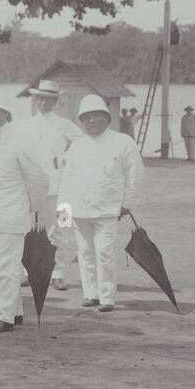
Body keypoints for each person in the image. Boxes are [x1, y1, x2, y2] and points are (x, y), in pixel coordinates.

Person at [58, 94, 144, 312]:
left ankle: (107, 297)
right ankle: (90, 294)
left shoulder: (122, 142)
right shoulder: (77, 147)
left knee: (104, 252)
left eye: (96, 115)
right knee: (85, 252)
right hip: (79, 210)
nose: (91, 121)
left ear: (107, 118)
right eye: (86, 117)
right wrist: (63, 214)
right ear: (81, 121)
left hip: (107, 209)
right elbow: (66, 180)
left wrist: (128, 202)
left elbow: (135, 175)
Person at [0, 92, 49, 333]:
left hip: (11, 214)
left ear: (7, 114)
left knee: (6, 266)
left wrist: (30, 207)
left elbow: (39, 179)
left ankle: (3, 317)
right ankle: (13, 312)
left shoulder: (19, 140)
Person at [20, 78, 84, 290]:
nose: (42, 103)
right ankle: (29, 271)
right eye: (39, 98)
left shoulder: (64, 124)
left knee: (61, 228)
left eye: (47, 99)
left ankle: (58, 273)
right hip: (31, 188)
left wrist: (66, 158)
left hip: (59, 187)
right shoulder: (25, 125)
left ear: (55, 101)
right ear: (34, 99)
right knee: (28, 230)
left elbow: (83, 144)